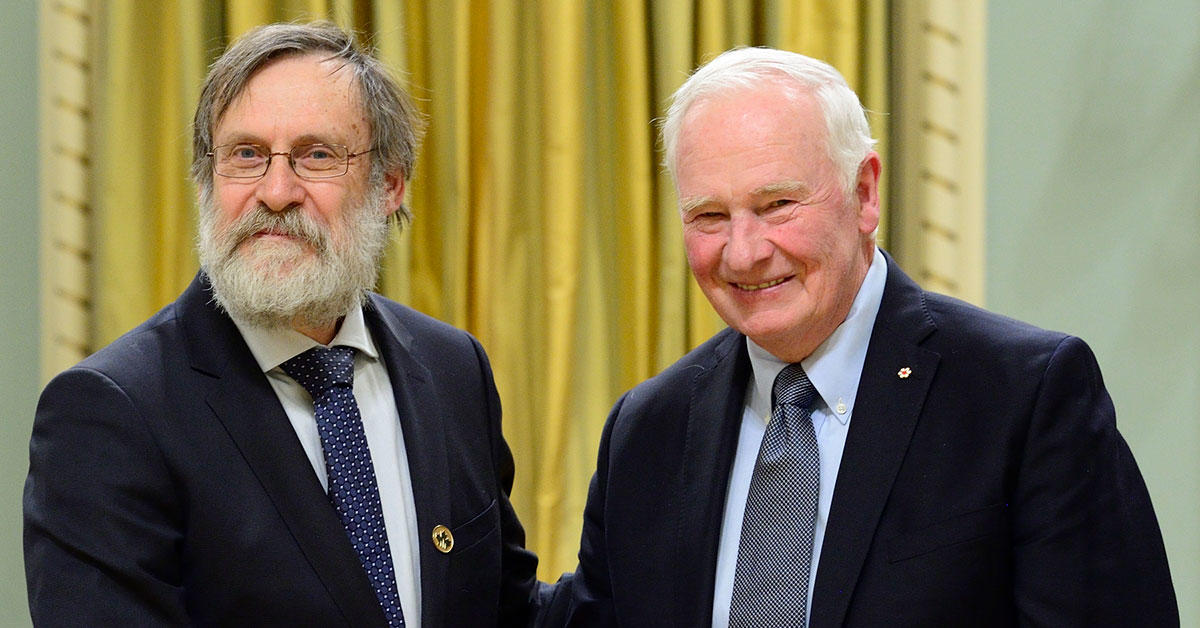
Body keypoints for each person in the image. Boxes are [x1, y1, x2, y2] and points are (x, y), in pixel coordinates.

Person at [563, 47, 1177, 626]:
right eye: (709, 216)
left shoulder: (1022, 398)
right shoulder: (647, 433)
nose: (744, 252)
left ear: (864, 194)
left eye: (777, 204)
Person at [24, 22, 541, 626]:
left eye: (316, 155)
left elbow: (510, 612)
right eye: (245, 155)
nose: (275, 191)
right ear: (205, 182)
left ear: (390, 186)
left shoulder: (453, 369)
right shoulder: (110, 414)